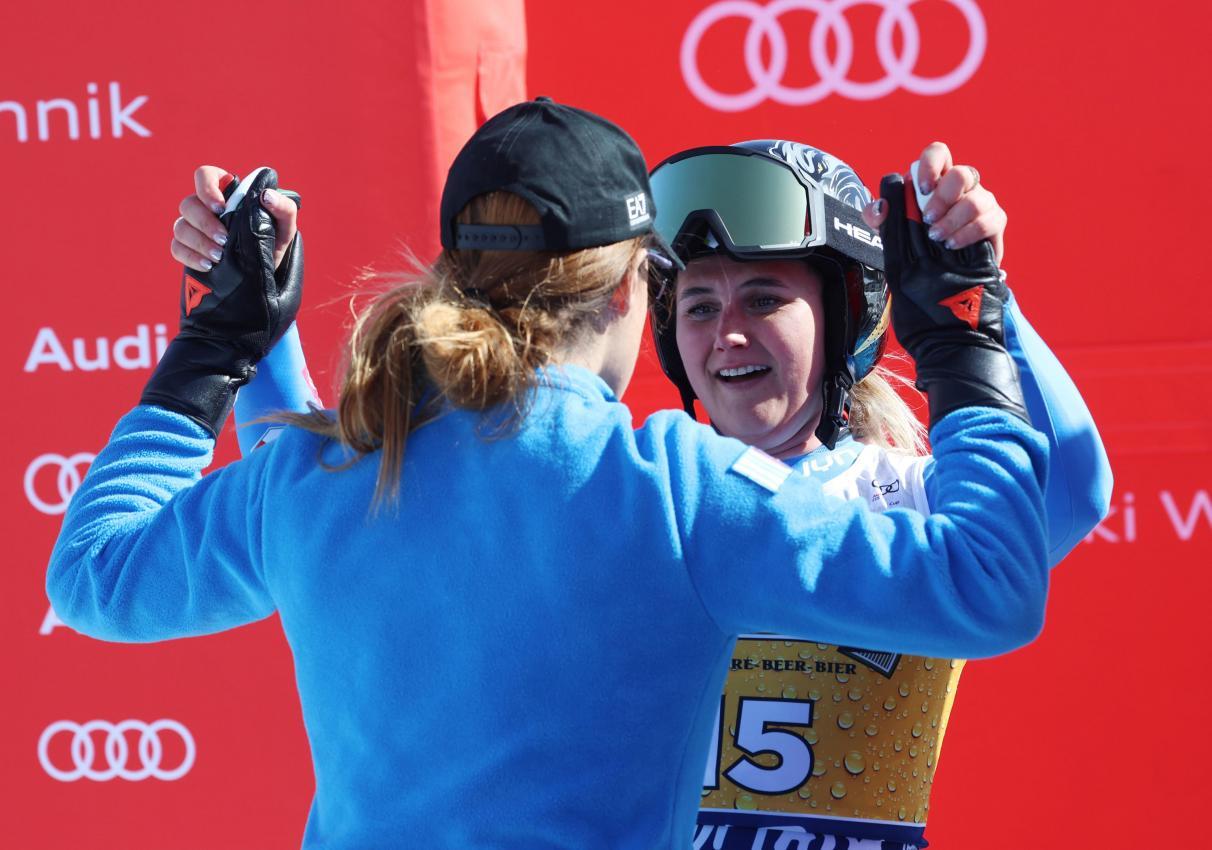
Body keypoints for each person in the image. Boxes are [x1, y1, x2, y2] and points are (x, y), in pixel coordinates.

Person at [49, 98, 1052, 850]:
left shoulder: (319, 463)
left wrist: (218, 346)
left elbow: (90, 575)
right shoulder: (673, 487)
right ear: (631, 290)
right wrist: (964, 337)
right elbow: (988, 587)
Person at [645, 140, 1112, 849]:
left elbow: (1075, 488)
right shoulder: (648, 501)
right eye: (699, 305)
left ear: (844, 319)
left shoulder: (914, 499)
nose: (727, 335)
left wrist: (983, 307)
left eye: (764, 298)